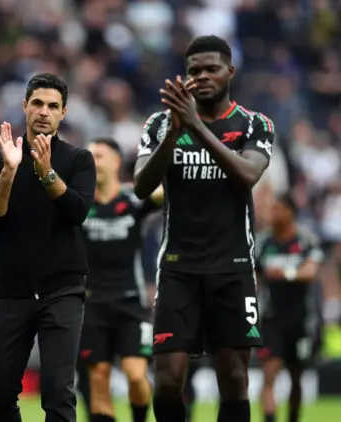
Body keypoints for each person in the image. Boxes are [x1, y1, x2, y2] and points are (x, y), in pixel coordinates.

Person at [133, 35, 276, 422]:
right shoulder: (160, 122)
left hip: (232, 267)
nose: (202, 76)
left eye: (211, 68)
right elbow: (142, 187)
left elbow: (247, 174)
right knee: (167, 381)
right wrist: (174, 133)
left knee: (233, 376)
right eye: (194, 70)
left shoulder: (254, 124)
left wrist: (195, 125)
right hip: (178, 267)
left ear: (230, 71)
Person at [0, 73, 96, 422]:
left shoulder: (78, 160)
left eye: (53, 106)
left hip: (61, 289)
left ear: (63, 113)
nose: (44, 111)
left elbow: (77, 211)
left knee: (58, 393)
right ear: (24, 107)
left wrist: (46, 174)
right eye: (38, 103)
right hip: (9, 291)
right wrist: (10, 172)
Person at [79, 138, 163, 422]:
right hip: (92, 304)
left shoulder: (132, 200)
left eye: (99, 155)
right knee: (98, 376)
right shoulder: (80, 204)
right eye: (90, 156)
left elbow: (165, 194)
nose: (94, 161)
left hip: (131, 302)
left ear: (116, 162)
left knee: (136, 375)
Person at [256, 195, 323, 422]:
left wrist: (286, 274)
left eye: (277, 209)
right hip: (271, 318)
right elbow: (253, 279)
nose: (271, 214)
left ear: (290, 212)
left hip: (300, 319)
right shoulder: (262, 242)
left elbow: (311, 272)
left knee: (296, 377)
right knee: (269, 376)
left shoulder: (306, 240)